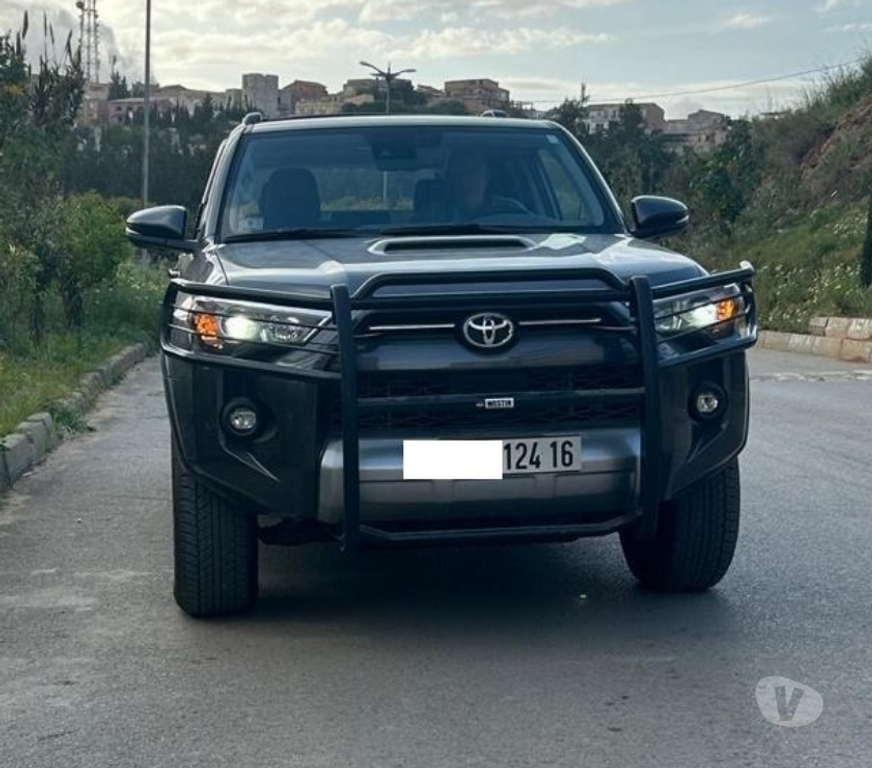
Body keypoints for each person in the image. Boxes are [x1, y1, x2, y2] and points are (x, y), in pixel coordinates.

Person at [441, 147, 529, 221]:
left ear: (486, 177)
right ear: (450, 181)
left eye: (472, 173)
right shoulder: (436, 215)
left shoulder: (513, 212)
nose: (465, 182)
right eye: (459, 174)